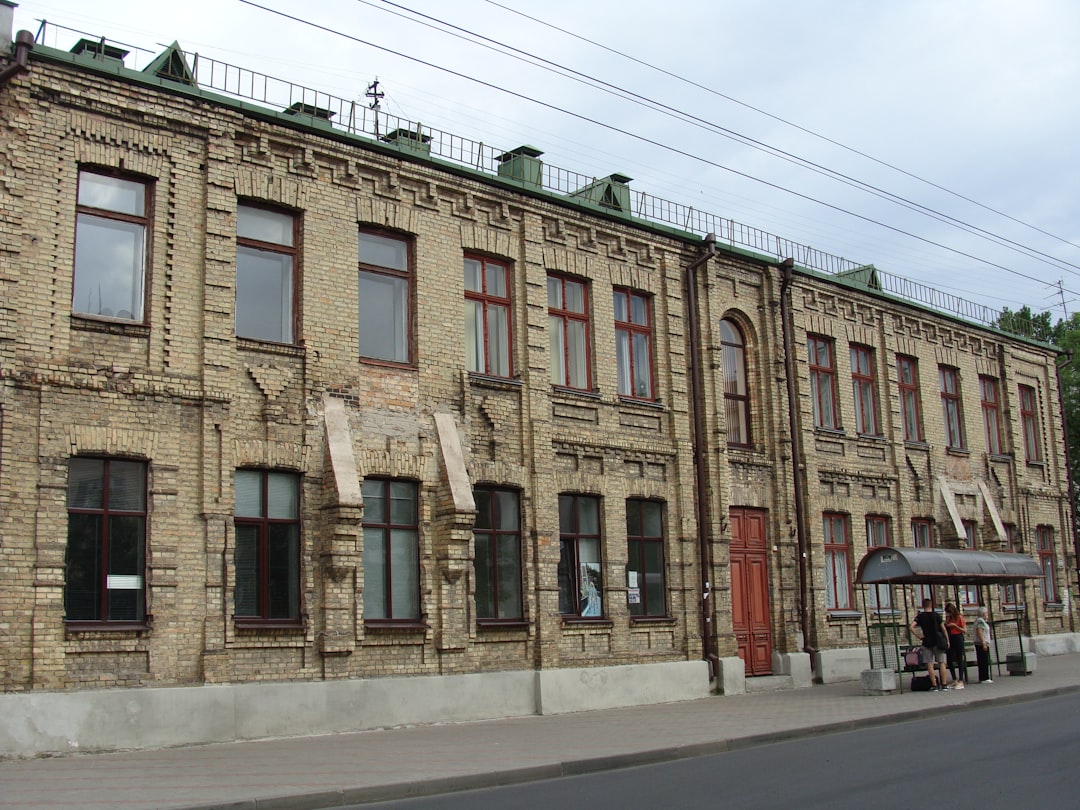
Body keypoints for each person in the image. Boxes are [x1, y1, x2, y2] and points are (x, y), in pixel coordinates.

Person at [910, 598, 949, 691]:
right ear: (931, 605)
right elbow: (943, 629)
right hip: (938, 641)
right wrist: (947, 640)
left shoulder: (920, 616)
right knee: (941, 663)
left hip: (927, 642)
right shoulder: (936, 615)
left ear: (923, 605)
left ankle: (934, 685)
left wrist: (919, 636)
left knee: (929, 664)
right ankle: (944, 685)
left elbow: (911, 627)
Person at [944, 603, 967, 689]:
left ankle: (961, 680)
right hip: (950, 638)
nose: (948, 614)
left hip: (958, 637)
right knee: (949, 659)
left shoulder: (959, 617)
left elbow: (964, 630)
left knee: (959, 658)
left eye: (949, 612)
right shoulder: (948, 618)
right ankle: (954, 679)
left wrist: (955, 625)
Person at [973, 606, 993, 684]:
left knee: (982, 660)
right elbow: (980, 632)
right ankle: (984, 677)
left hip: (979, 643)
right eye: (986, 613)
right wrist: (983, 643)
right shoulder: (980, 621)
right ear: (983, 614)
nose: (987, 614)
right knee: (984, 660)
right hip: (981, 644)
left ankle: (982, 677)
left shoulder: (978, 620)